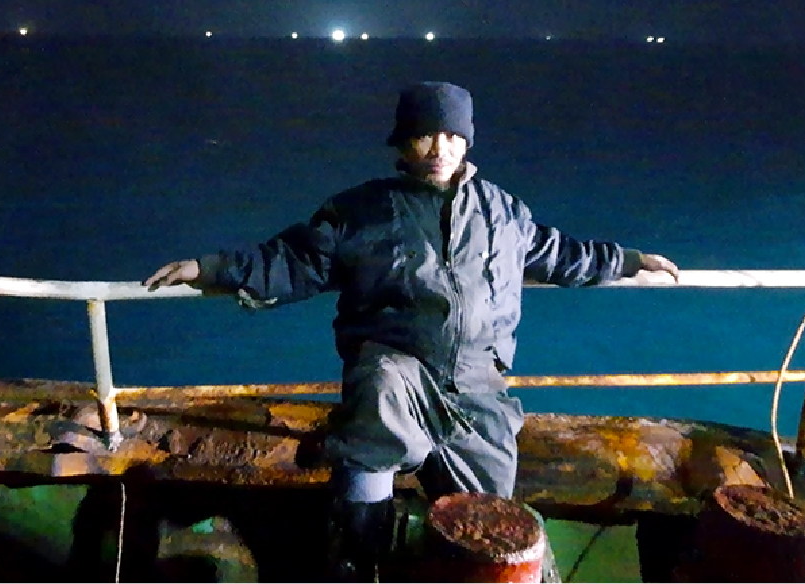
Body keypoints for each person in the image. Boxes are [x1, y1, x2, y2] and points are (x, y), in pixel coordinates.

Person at [144, 81, 679, 580]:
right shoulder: (361, 211)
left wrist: (630, 260)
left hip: (478, 385)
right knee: (377, 397)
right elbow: (292, 261)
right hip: (398, 366)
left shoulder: (503, 212)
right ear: (404, 142)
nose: (439, 148)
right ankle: (359, 551)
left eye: (452, 135)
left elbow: (558, 253)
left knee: (491, 522)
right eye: (426, 135)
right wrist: (210, 268)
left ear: (466, 141)